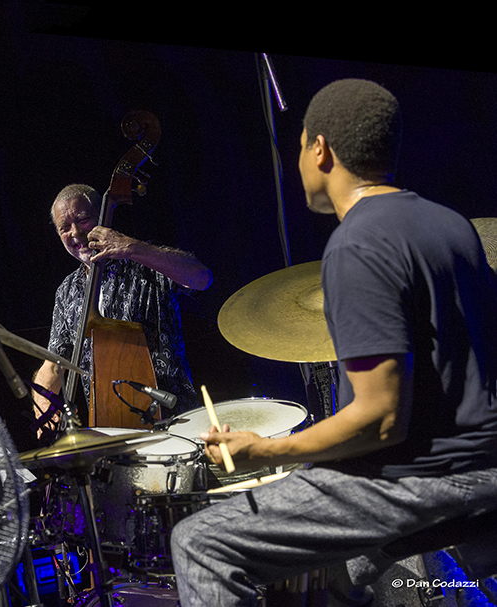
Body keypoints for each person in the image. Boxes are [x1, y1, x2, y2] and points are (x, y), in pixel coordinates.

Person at [170, 79, 497, 606]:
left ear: (319, 149)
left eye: (298, 145)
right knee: (348, 572)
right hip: (483, 468)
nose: (297, 158)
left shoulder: (358, 242)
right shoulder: (452, 226)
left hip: (417, 482)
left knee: (200, 541)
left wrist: (266, 449)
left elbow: (380, 419)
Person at [32, 183, 212, 433]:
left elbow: (201, 277)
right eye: (64, 228)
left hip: (174, 420)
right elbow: (55, 362)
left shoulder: (144, 262)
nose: (75, 233)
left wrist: (131, 248)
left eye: (83, 220)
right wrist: (44, 409)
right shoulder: (67, 290)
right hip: (110, 430)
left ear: (103, 217)